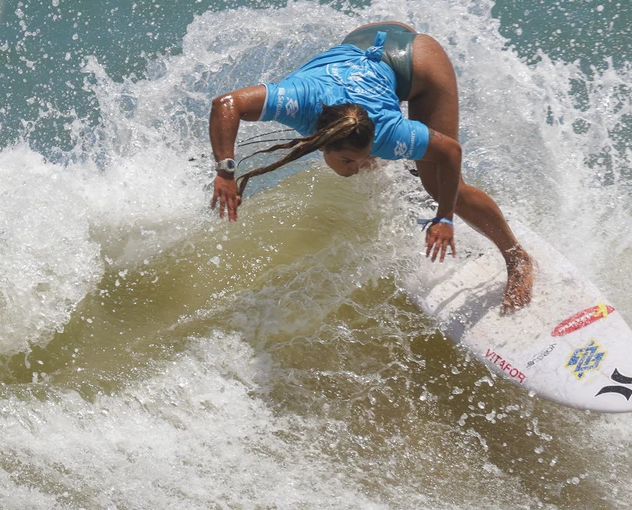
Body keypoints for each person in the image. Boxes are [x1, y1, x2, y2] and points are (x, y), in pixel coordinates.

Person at [208, 21, 533, 312]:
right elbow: (226, 104)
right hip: (371, 38)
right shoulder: (297, 103)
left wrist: (445, 215)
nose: (354, 167)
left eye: (360, 156)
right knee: (385, 164)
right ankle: (419, 197)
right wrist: (225, 171)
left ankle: (517, 257)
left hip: (419, 63)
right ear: (323, 139)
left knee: (440, 184)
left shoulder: (388, 132)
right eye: (348, 159)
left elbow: (450, 151)